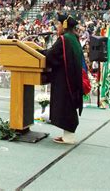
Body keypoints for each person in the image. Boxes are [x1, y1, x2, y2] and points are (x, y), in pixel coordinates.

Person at [42, 13, 84, 145]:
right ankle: (68, 136)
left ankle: (69, 137)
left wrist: (41, 52)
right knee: (69, 106)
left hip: (64, 80)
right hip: (72, 78)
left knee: (65, 106)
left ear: (64, 26)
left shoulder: (64, 39)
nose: (57, 27)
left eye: (58, 24)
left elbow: (51, 56)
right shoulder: (74, 38)